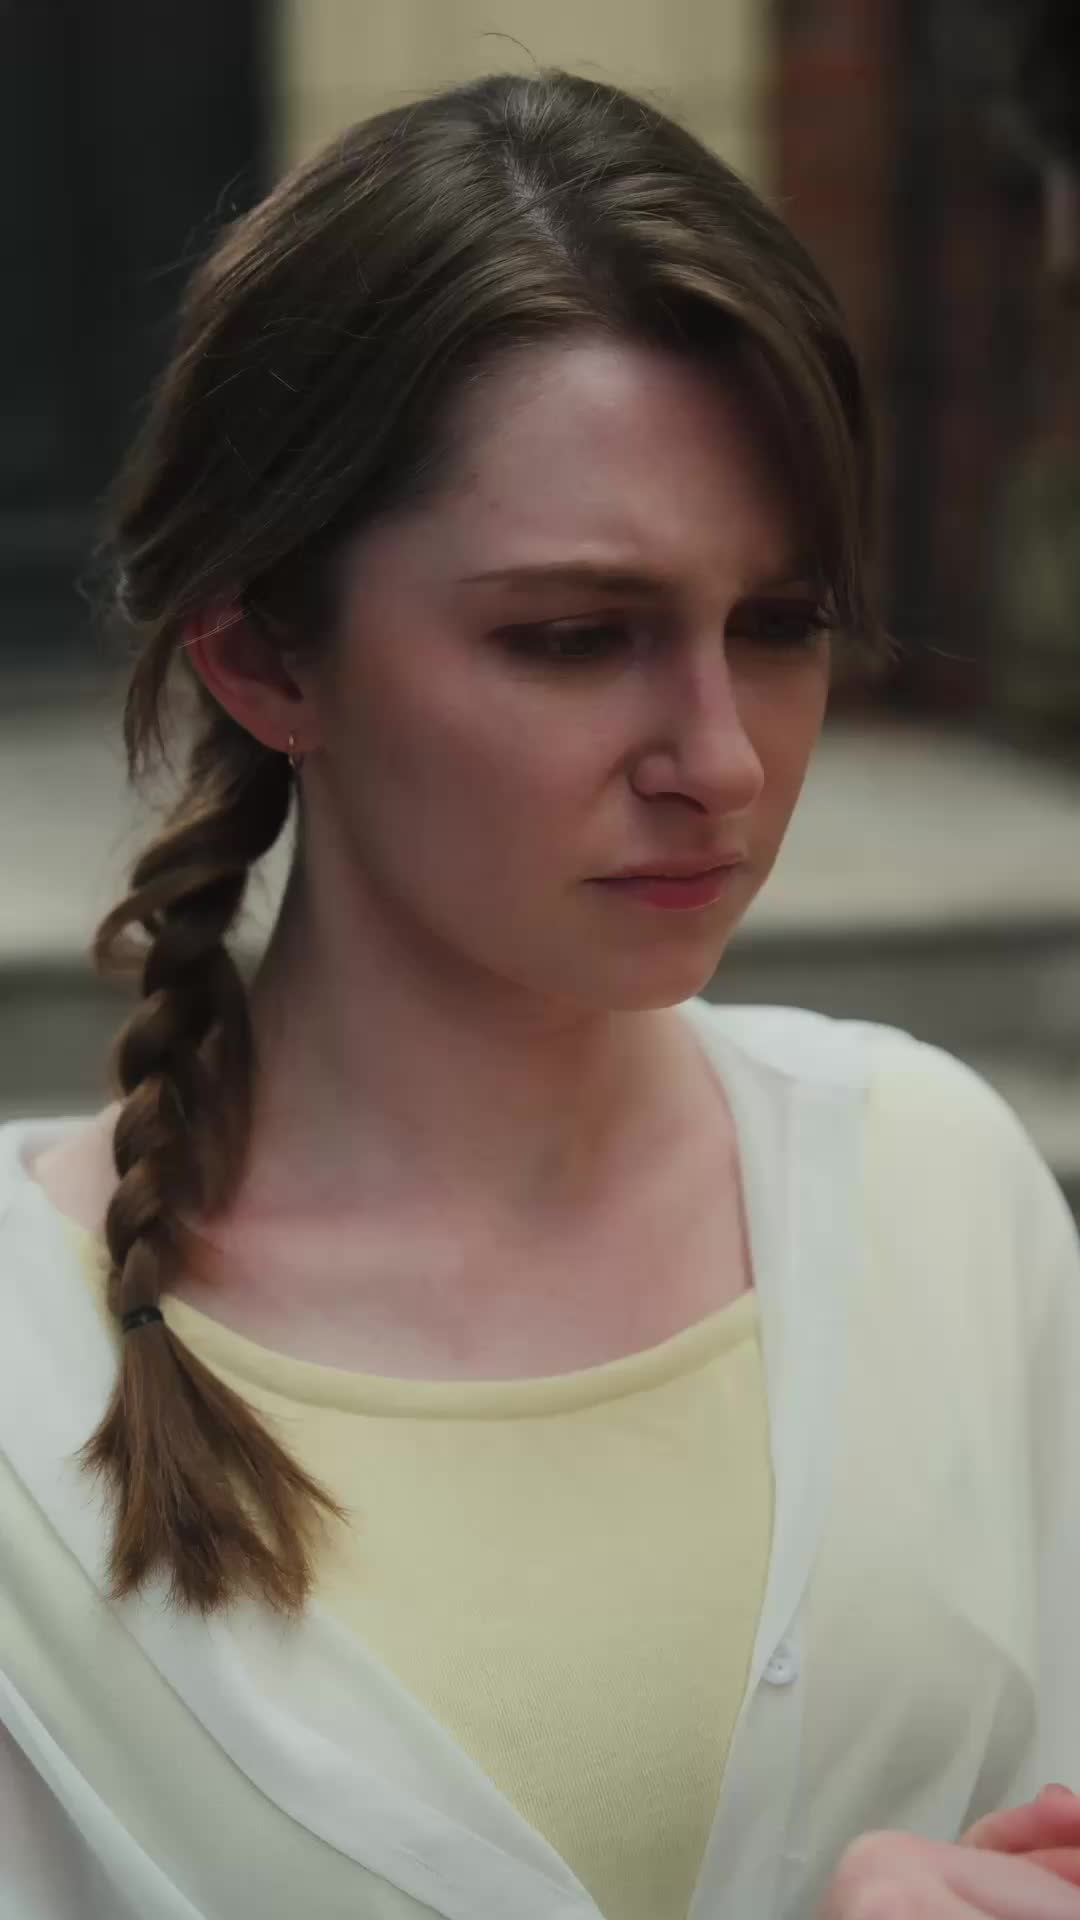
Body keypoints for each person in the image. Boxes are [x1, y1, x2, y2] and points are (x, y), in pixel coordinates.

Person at [1, 67, 1079, 1920]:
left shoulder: (937, 1190)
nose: (720, 757)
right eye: (576, 637)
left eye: (780, 624)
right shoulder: (29, 1384)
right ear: (265, 655)